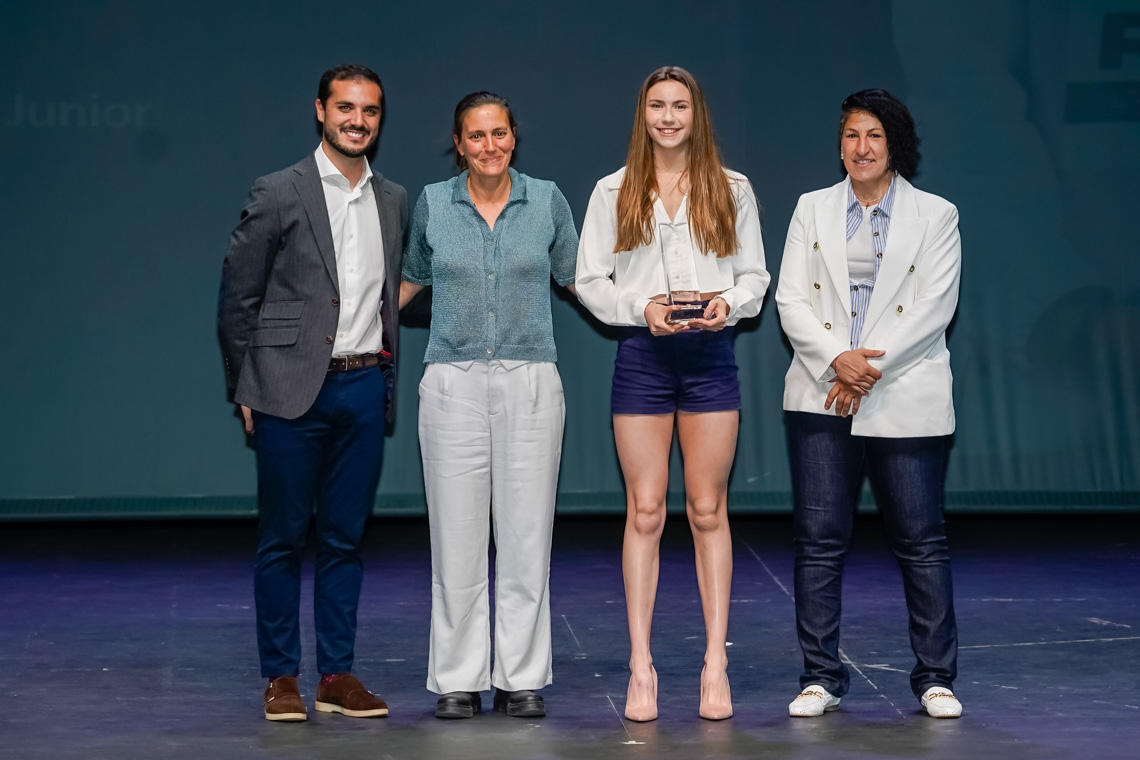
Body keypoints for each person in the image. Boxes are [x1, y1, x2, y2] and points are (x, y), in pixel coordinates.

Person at [575, 66, 769, 721]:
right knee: (647, 511)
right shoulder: (613, 190)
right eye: (657, 105)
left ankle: (716, 665)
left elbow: (754, 276)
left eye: (679, 105)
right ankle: (641, 668)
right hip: (643, 358)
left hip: (711, 358)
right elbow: (590, 280)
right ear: (643, 114)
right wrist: (641, 309)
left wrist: (725, 302)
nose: (667, 117)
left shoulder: (731, 188)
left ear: (696, 113)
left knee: (708, 510)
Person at [218, 64, 407, 722]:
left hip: (362, 388)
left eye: (371, 111)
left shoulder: (393, 200)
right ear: (321, 112)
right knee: (282, 538)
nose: (359, 120)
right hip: (287, 391)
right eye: (346, 108)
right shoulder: (278, 191)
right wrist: (244, 382)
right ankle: (280, 678)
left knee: (345, 540)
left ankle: (336, 673)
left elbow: (392, 297)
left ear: (380, 120)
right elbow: (238, 297)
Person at [776, 88, 963, 719]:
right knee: (820, 540)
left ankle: (936, 677)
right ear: (840, 145)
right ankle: (821, 677)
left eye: (874, 136)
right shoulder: (811, 209)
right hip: (822, 393)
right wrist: (837, 361)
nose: (861, 148)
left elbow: (935, 309)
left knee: (920, 540)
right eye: (852, 136)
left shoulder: (936, 215)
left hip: (903, 393)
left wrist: (864, 372)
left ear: (895, 145)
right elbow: (791, 300)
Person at [399, 92, 579, 720]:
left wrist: (648, 308)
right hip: (451, 381)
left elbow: (578, 277)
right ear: (459, 144)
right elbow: (409, 283)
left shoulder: (547, 200)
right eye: (475, 137)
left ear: (514, 136)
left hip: (531, 379)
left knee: (527, 536)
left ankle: (521, 678)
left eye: (498, 133)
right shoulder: (431, 205)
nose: (489, 146)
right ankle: (457, 679)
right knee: (456, 539)